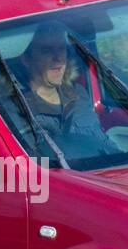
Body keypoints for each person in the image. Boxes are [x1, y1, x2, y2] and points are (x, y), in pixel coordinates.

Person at [20, 21, 116, 159]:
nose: (58, 58)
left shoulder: (78, 94)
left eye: (61, 49)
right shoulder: (17, 108)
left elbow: (103, 142)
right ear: (26, 60)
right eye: (46, 51)